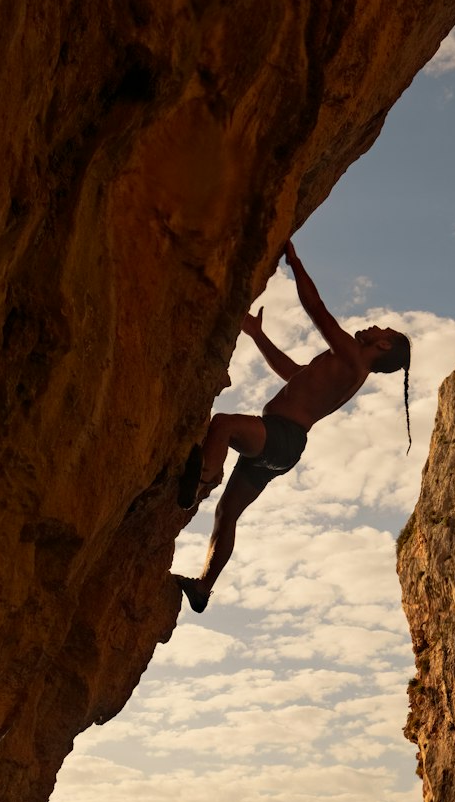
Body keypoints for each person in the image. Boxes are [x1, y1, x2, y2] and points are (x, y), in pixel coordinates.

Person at [175, 240, 411, 614]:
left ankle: (202, 480)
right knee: (226, 514)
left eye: (381, 328)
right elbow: (291, 373)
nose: (372, 325)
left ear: (383, 344)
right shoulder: (344, 367)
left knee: (222, 425)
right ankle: (204, 586)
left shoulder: (353, 358)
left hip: (280, 437)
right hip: (282, 446)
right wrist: (257, 334)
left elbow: (316, 308)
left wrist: (295, 263)